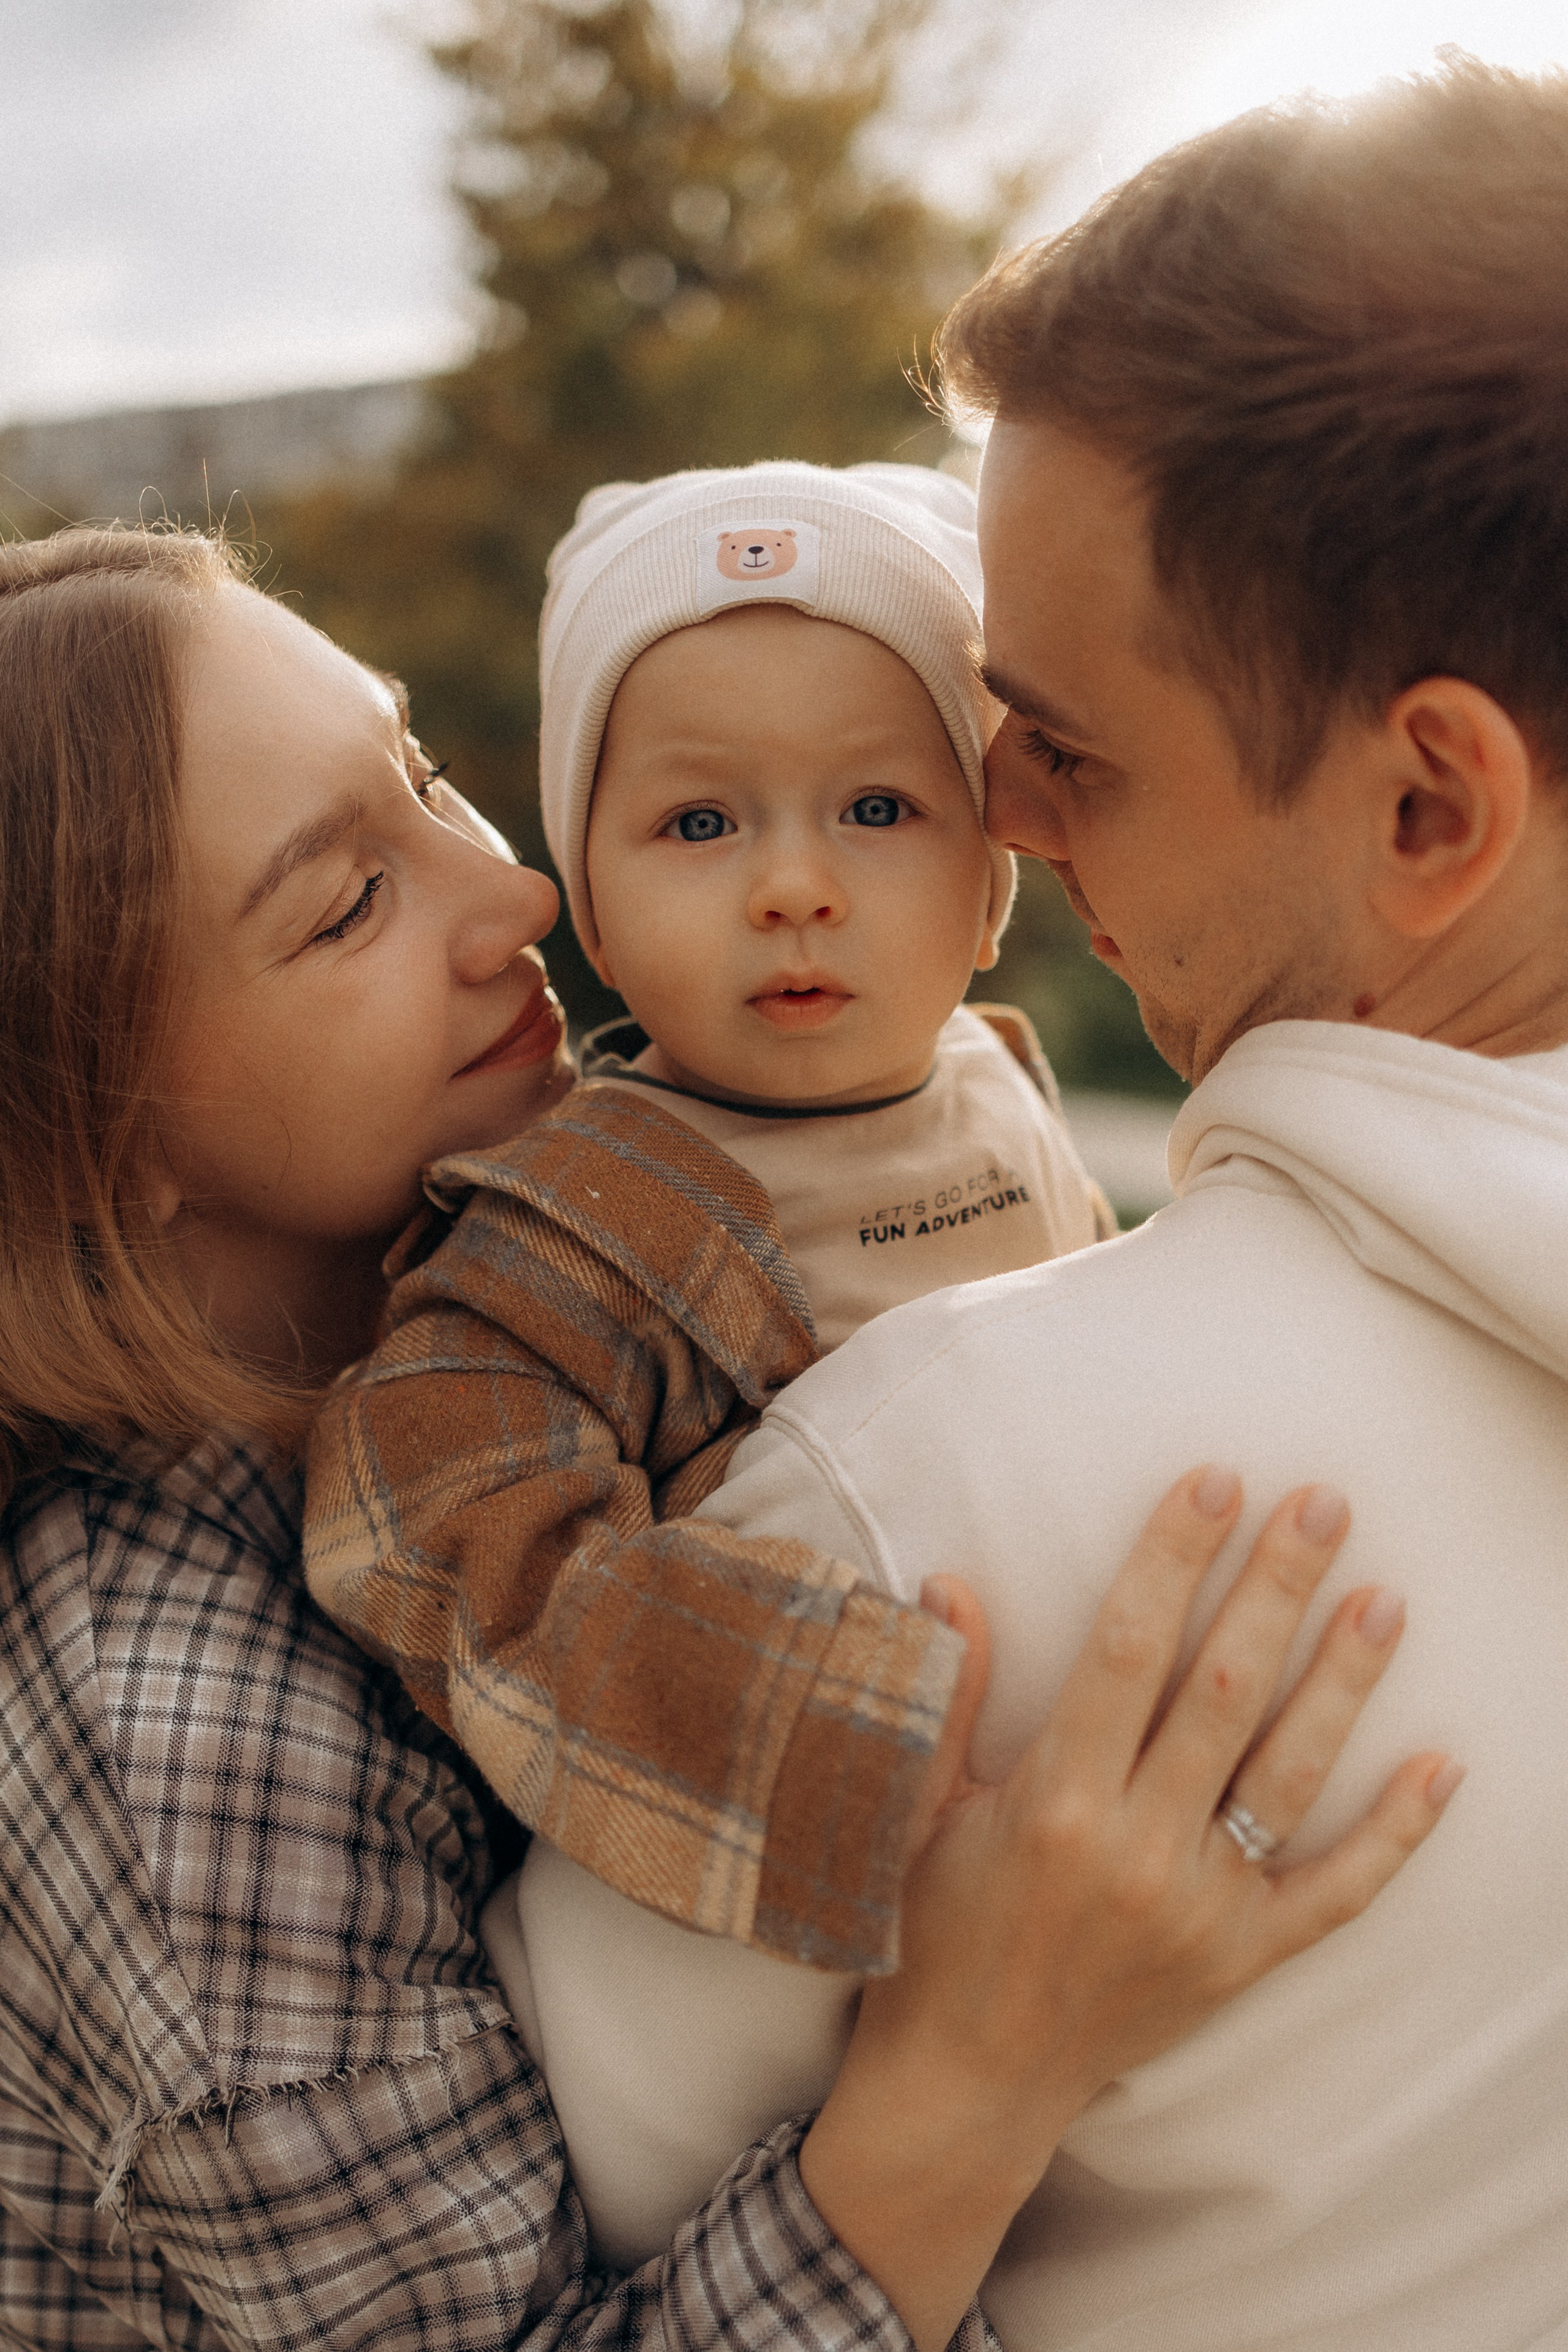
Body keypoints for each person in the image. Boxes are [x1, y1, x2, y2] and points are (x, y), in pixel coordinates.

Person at [0, 525, 1452, 2352]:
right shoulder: (178, 1723)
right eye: (347, 902)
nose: (516, 891)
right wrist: (987, 2055)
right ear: (91, 1131)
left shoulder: (589, 1264)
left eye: (425, 776)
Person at [508, 56, 1568, 2350]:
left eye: (1068, 741)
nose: (995, 808)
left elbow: (483, 2283)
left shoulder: (925, 1507)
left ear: (1426, 810)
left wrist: (961, 2081)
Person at [303, 459, 1112, 1986]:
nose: (792, 887)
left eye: (876, 807)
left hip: (1081, 1805)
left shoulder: (993, 1081)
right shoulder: (577, 1223)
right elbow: (432, 1527)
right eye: (696, 823)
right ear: (593, 911)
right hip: (783, 1924)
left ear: (989, 883)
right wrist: (812, 1739)